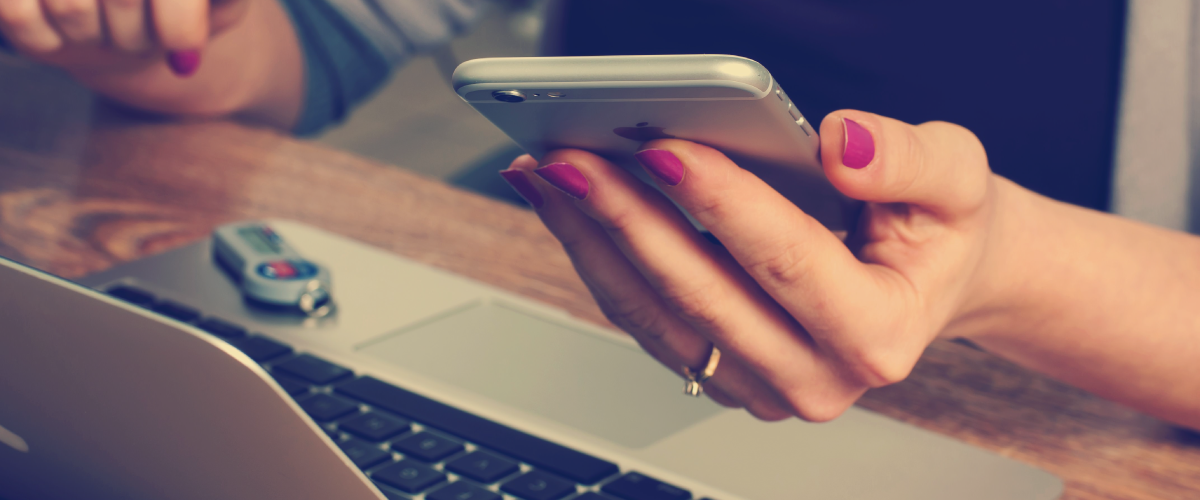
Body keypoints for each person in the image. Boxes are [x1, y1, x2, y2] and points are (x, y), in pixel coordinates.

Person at [1, 0, 1196, 430]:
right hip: (565, 326)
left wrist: (1003, 266)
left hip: (1059, 429)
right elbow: (302, 39)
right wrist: (157, 24)